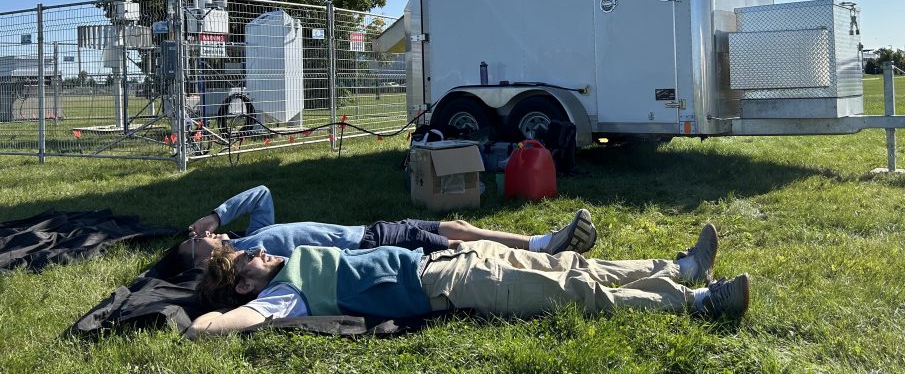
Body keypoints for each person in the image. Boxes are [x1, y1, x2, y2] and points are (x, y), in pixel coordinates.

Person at [187, 223, 750, 336]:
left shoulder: (292, 260)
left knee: (570, 265)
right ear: (243, 286)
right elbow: (212, 327)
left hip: (446, 261)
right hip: (449, 289)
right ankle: (698, 301)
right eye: (246, 261)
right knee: (570, 291)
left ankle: (677, 268)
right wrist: (196, 318)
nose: (258, 250)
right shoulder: (283, 295)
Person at [177, 186, 596, 269]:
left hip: (371, 228)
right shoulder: (253, 259)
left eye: (205, 233)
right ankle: (541, 259)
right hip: (370, 244)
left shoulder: (252, 237)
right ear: (208, 258)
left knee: (459, 226)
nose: (206, 235)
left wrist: (216, 216)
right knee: (456, 248)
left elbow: (262, 194)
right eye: (203, 242)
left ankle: (541, 242)